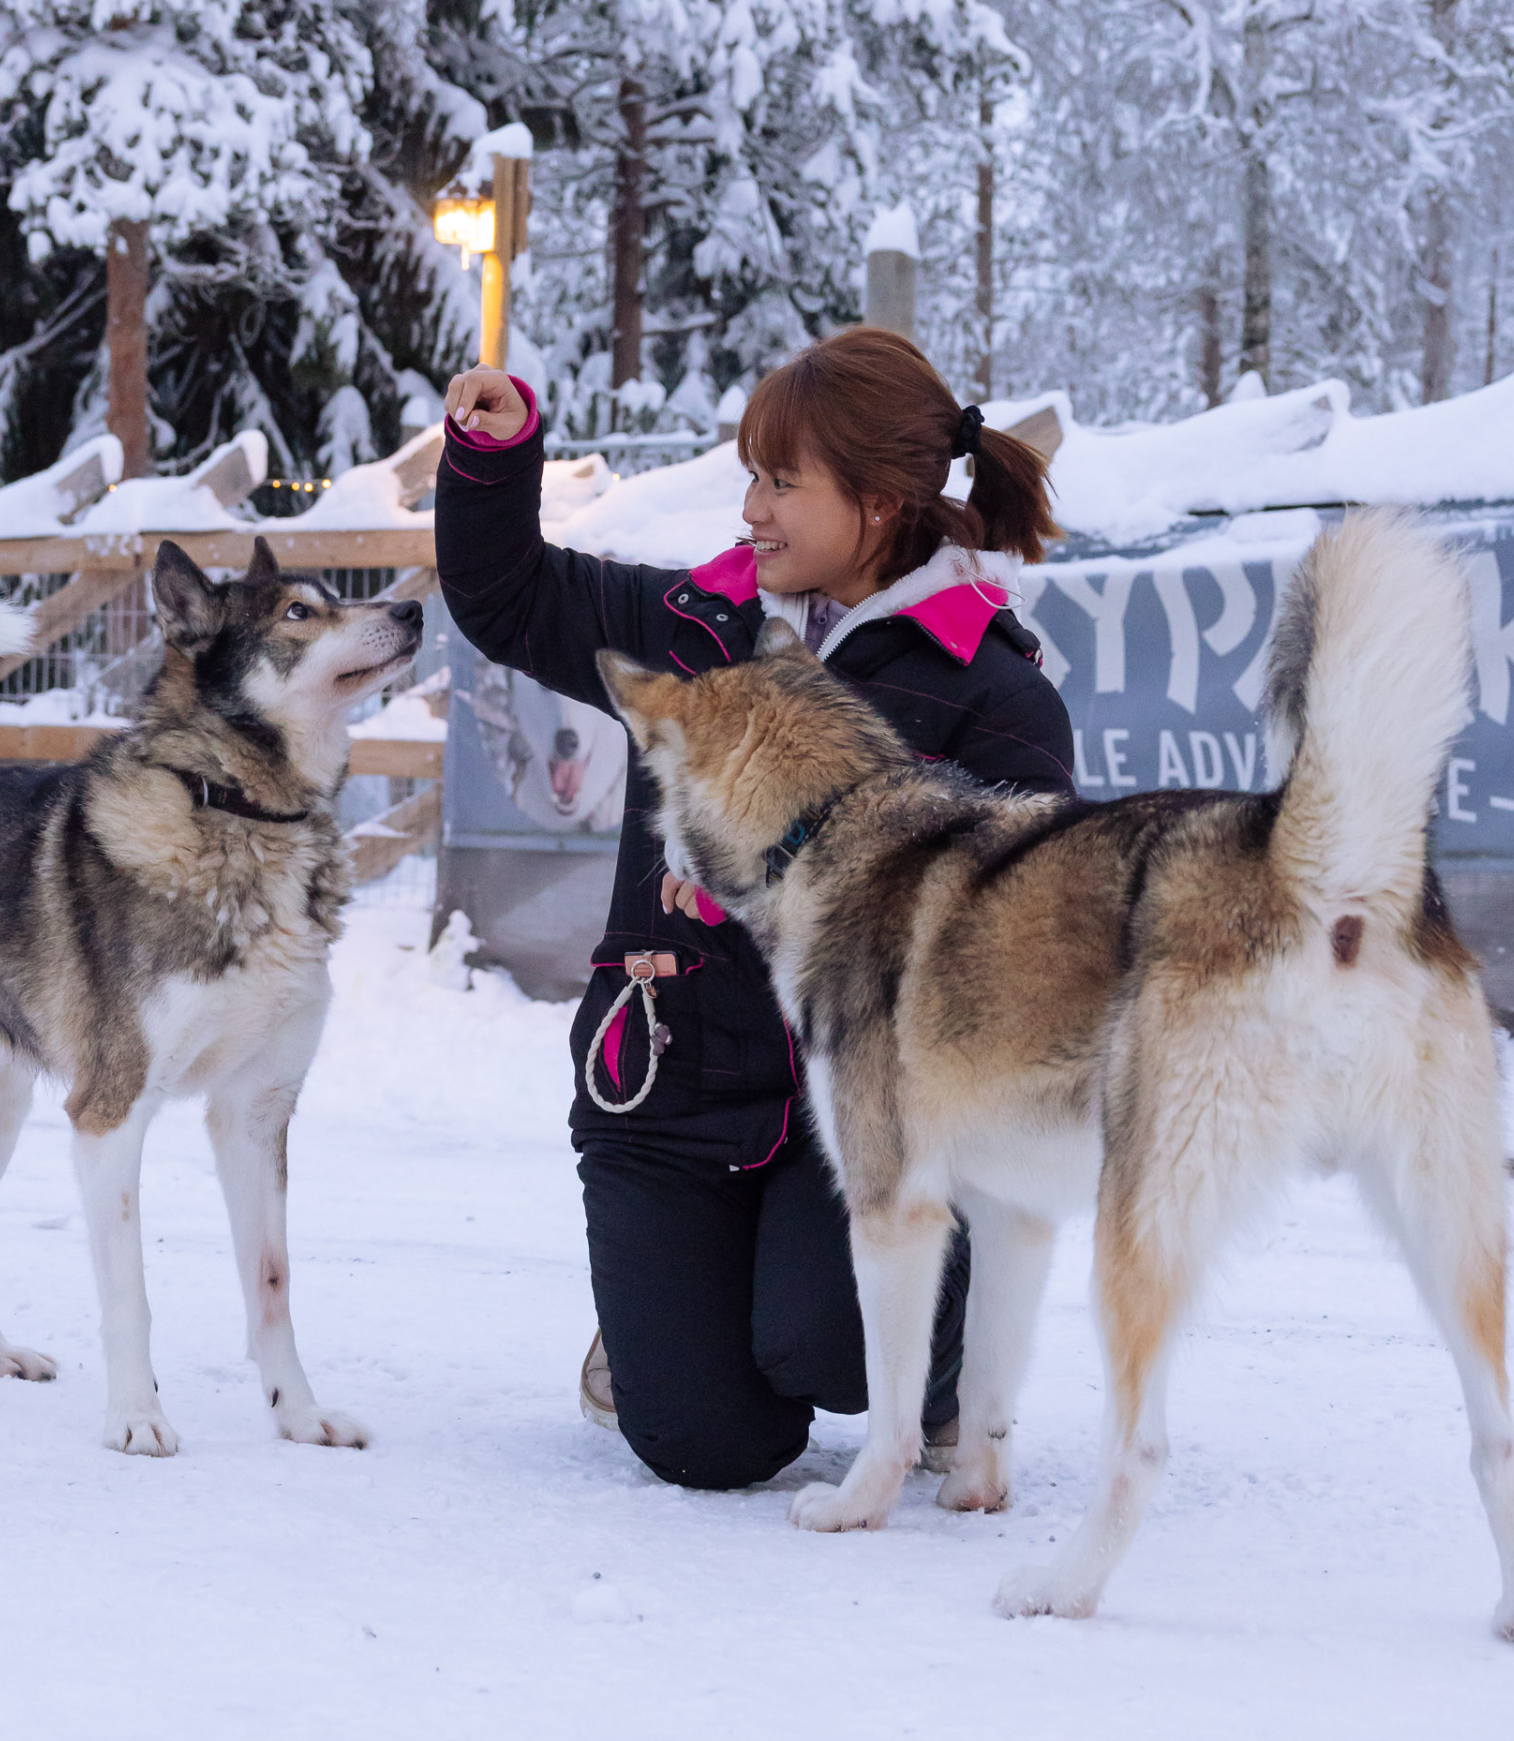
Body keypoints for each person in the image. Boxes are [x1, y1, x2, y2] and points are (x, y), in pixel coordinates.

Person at [435, 328, 1074, 1491]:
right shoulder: (696, 627)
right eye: (752, 474)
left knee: (820, 1344)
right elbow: (507, 596)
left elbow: (1023, 942)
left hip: (866, 1113)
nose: (752, 507)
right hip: (672, 1083)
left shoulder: (994, 688)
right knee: (703, 1443)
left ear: (879, 503)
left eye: (783, 481)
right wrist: (496, 453)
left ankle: (932, 1370)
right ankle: (659, 1330)